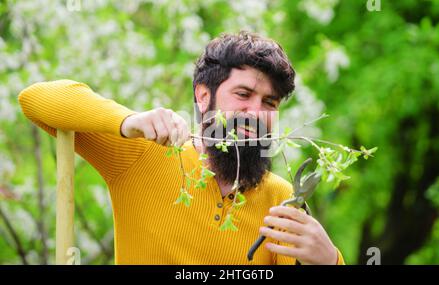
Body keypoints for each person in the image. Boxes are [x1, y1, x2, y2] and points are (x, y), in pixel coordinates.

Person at [19, 31, 344, 265]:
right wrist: (128, 121)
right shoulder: (142, 154)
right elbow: (36, 99)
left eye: (269, 102)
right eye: (243, 95)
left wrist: (329, 261)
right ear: (203, 96)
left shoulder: (280, 198)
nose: (256, 113)